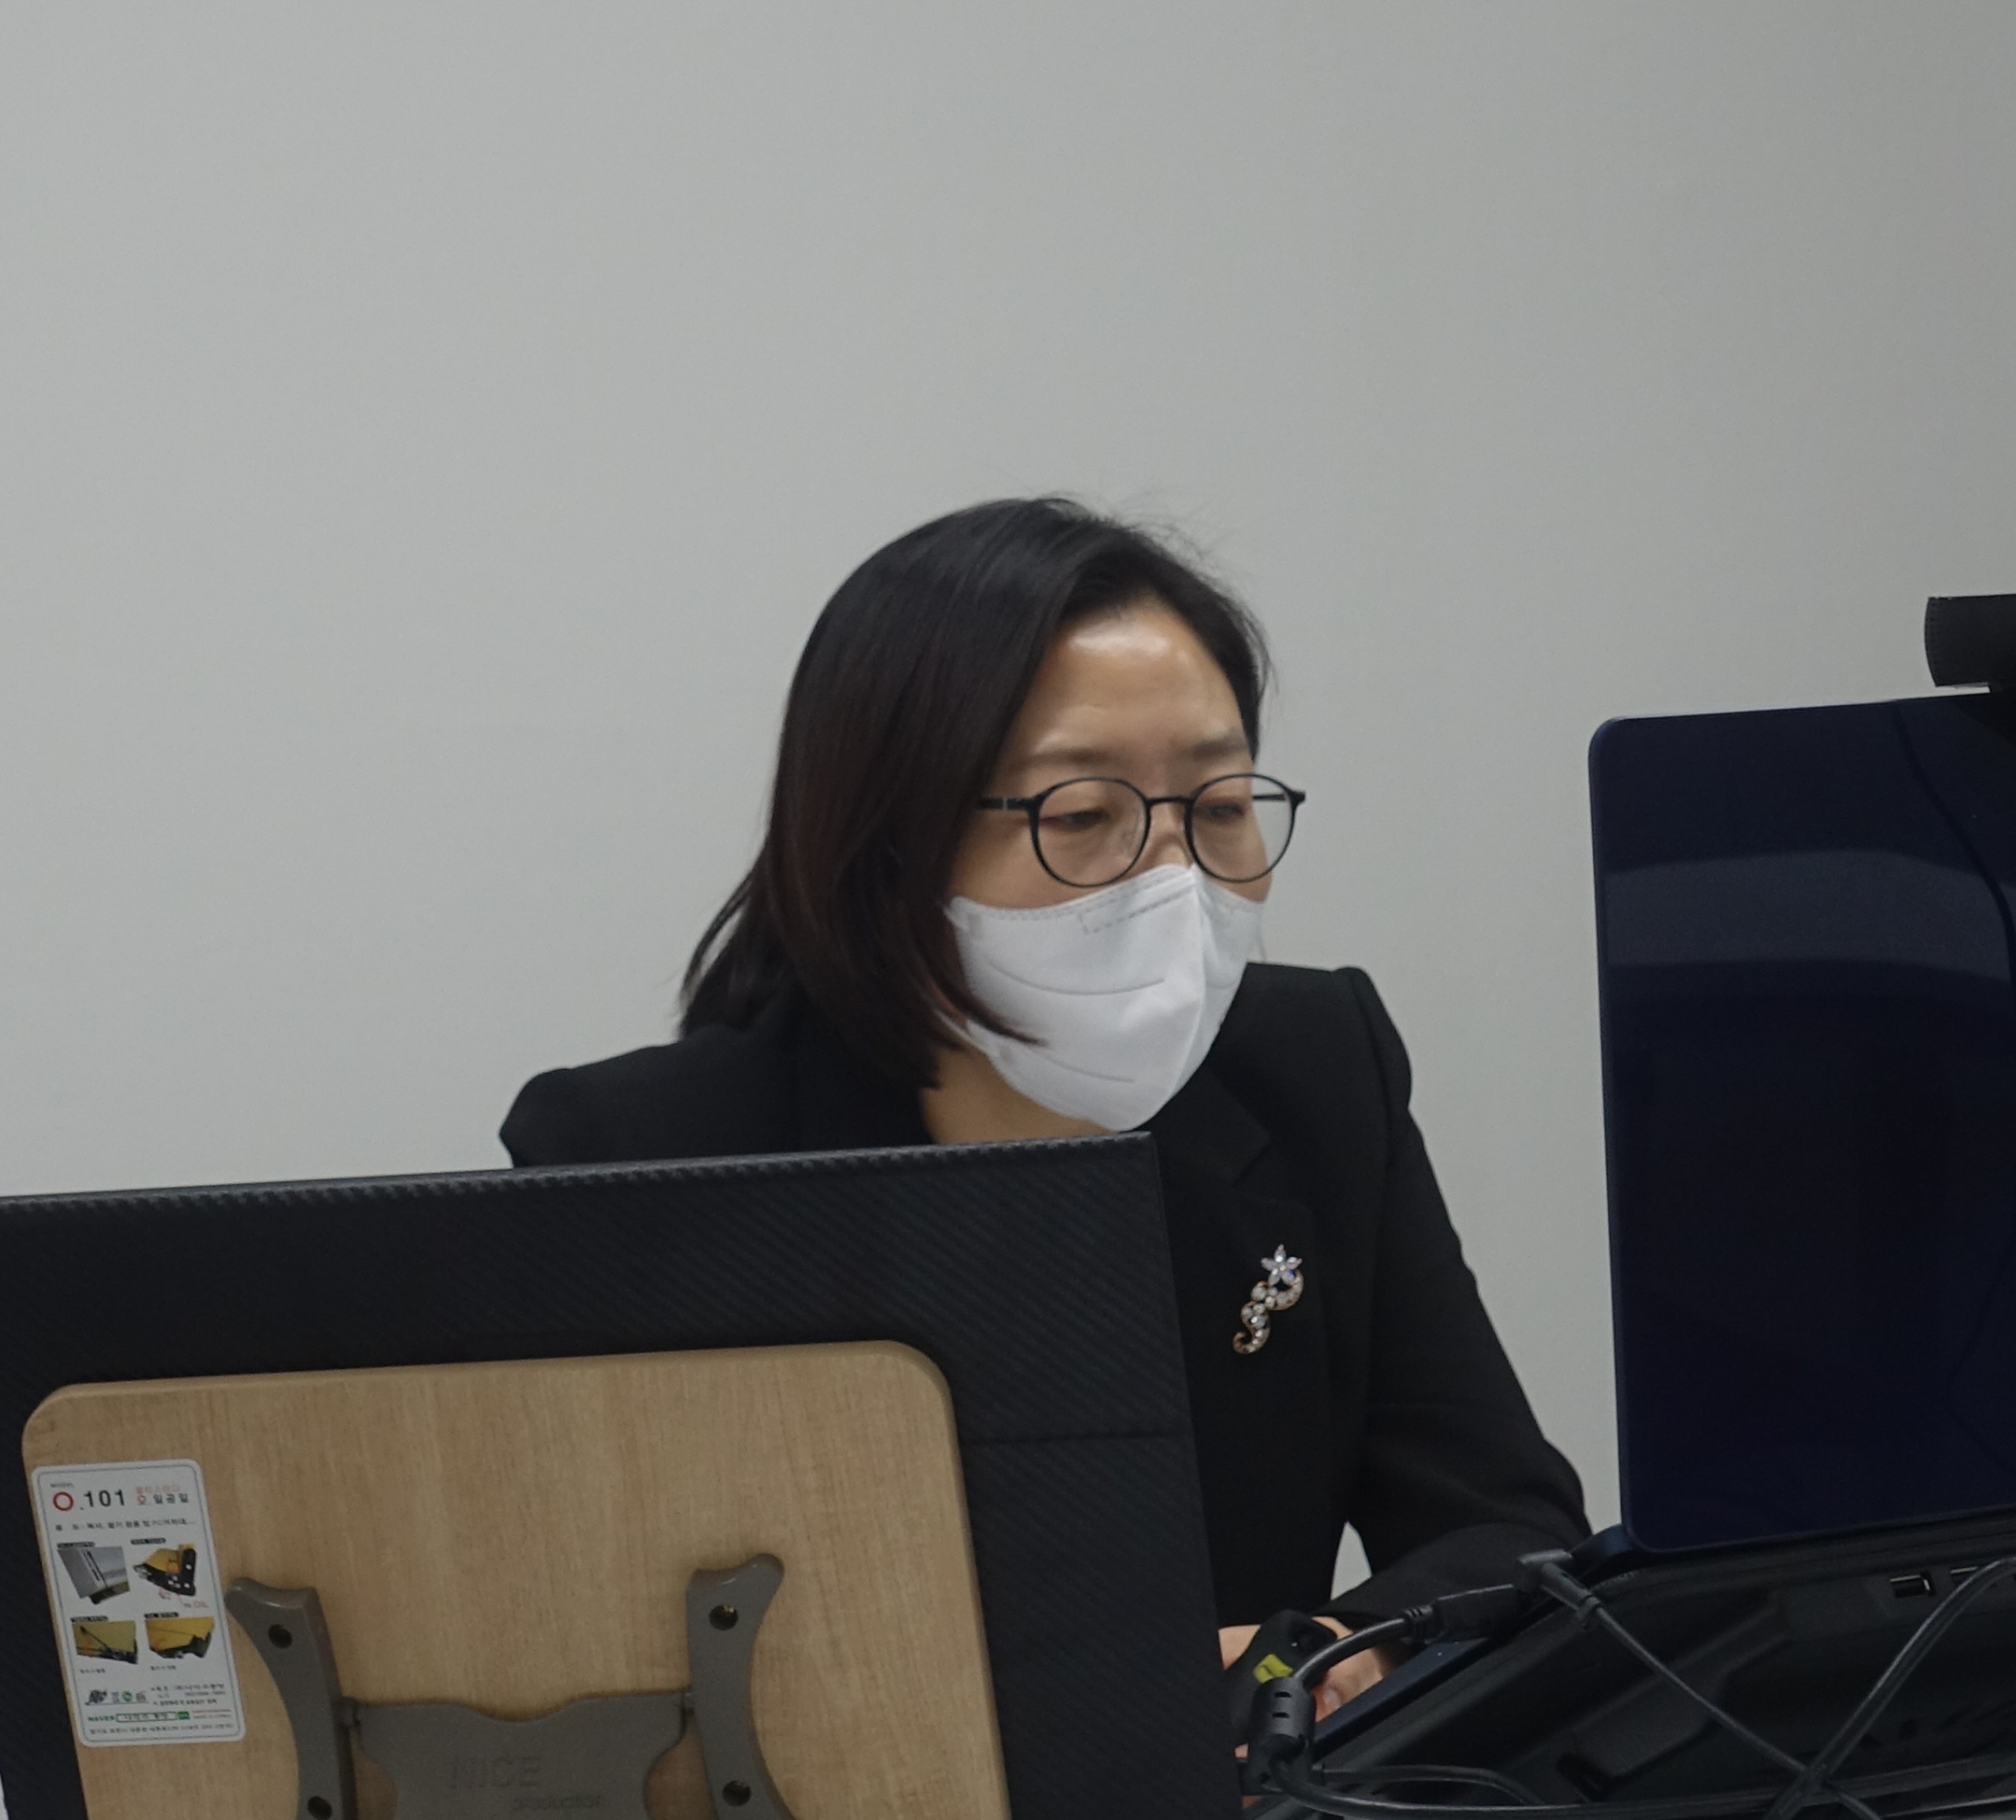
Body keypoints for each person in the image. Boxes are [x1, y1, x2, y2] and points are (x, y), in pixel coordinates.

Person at [500, 496, 1588, 1712]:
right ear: (890, 844)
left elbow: (1510, 1530)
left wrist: (1336, 1658)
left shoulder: (1317, 1066)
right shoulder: (639, 1158)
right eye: (1082, 816)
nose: (1173, 878)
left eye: (1222, 807)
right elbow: (583, 1633)